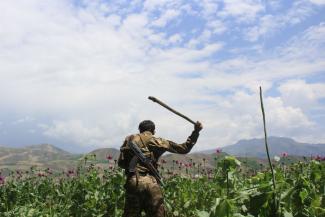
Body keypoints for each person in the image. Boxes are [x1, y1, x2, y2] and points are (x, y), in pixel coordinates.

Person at [118, 120, 203, 217]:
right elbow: (184, 148)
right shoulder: (157, 141)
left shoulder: (129, 140)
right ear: (152, 130)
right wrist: (196, 132)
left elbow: (121, 163)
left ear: (140, 130)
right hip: (151, 183)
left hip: (133, 182)